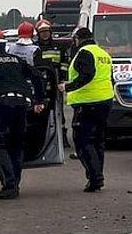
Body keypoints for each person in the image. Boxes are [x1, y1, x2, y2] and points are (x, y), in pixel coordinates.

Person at [0, 28, 46, 200]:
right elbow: (37, 75)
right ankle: (15, 184)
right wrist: (39, 100)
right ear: (4, 45)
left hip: (2, 105)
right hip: (22, 104)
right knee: (16, 143)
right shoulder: (17, 60)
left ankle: (9, 186)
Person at [60, 27, 113, 192]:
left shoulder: (84, 53)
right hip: (105, 101)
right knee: (97, 141)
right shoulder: (102, 53)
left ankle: (95, 178)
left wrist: (67, 87)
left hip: (88, 103)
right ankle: (97, 175)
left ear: (77, 39)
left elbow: (87, 75)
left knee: (83, 141)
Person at [34, 19, 70, 148]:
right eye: (42, 32)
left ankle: (62, 137)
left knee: (58, 110)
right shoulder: (35, 48)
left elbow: (64, 63)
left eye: (46, 31)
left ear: (50, 32)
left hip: (55, 83)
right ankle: (42, 139)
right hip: (41, 84)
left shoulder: (59, 47)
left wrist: (62, 78)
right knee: (41, 111)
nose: (45, 34)